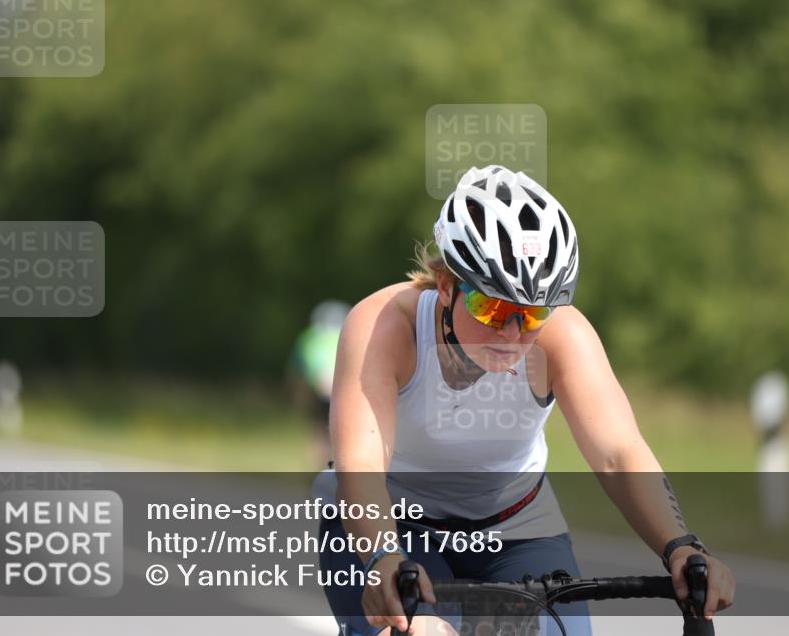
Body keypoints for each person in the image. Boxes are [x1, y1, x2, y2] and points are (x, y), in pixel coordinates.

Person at [313, 165, 735, 636]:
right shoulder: (385, 327)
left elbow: (618, 453)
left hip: (515, 528)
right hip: (395, 522)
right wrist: (384, 558)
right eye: (491, 308)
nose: (512, 333)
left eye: (532, 314)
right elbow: (362, 463)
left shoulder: (564, 337)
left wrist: (681, 546)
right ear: (447, 286)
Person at [290, 300, 350, 465]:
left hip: (319, 388)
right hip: (344, 388)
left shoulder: (309, 337)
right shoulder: (351, 332)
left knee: (319, 429)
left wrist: (299, 397)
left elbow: (299, 370)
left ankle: (320, 467)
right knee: (343, 431)